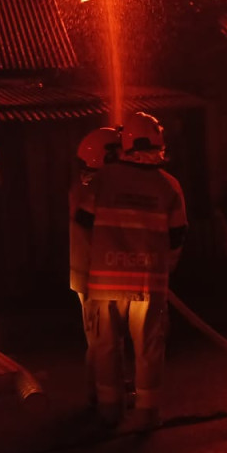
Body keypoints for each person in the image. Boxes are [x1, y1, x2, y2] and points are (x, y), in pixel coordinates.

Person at [75, 113, 187, 431]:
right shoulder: (170, 187)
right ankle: (147, 415)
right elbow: (178, 236)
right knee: (149, 348)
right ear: (158, 145)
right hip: (148, 283)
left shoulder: (102, 180)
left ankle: (110, 410)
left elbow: (82, 223)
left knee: (107, 346)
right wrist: (166, 269)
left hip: (104, 282)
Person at [70, 126, 121, 403]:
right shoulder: (93, 189)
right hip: (95, 276)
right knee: (105, 341)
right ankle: (107, 403)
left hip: (91, 274)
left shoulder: (87, 185)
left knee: (99, 340)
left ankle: (98, 395)